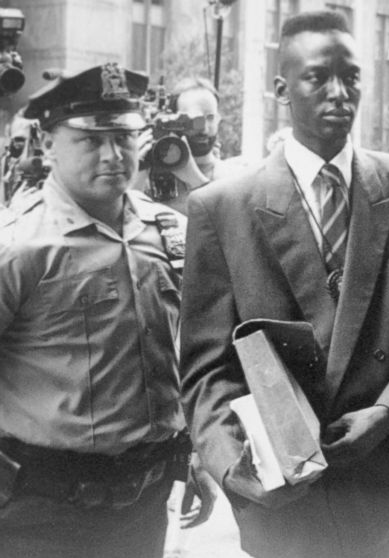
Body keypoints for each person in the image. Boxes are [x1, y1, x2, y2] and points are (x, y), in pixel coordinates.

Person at [179, 9, 389, 558]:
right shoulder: (222, 209)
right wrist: (235, 468)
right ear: (283, 89)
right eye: (317, 77)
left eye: (351, 77)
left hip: (373, 482)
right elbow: (205, 370)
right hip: (278, 499)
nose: (338, 92)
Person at [0, 62, 214, 558]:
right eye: (91, 140)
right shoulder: (19, 248)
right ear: (49, 142)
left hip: (145, 504)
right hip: (39, 514)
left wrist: (198, 457)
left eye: (124, 137)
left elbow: (185, 356)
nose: (113, 155)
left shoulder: (165, 231)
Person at [141, 77, 243, 213]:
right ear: (172, 121)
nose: (204, 128)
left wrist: (195, 180)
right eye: (195, 120)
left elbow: (235, 226)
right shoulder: (149, 176)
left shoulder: (236, 177)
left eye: (210, 118)